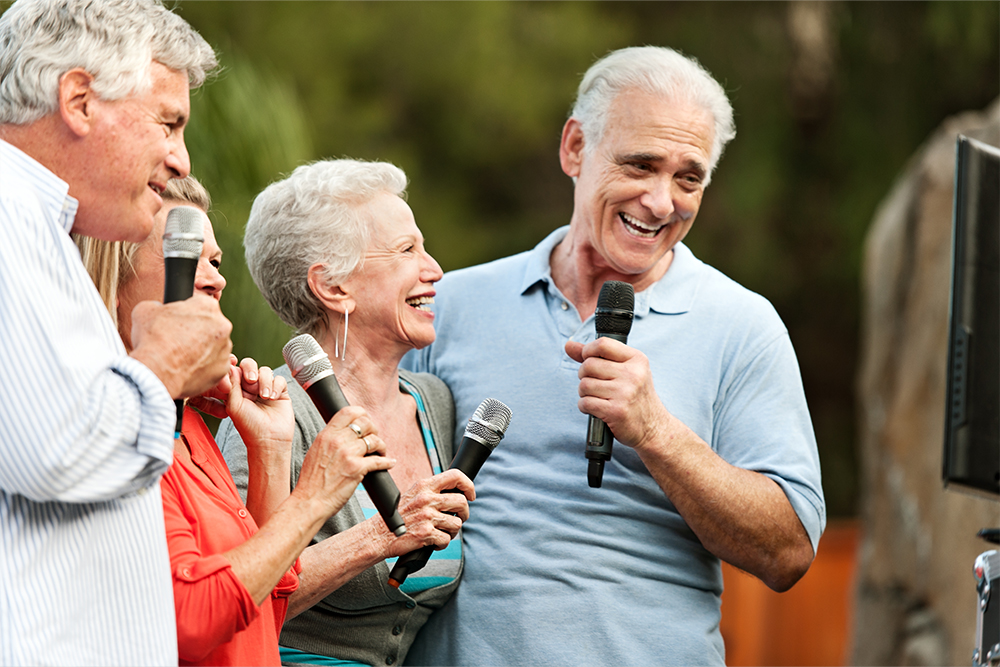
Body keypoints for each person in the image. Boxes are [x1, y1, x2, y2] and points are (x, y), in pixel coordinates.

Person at [401, 46, 826, 666]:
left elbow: (788, 554)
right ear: (575, 148)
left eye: (689, 178)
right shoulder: (450, 304)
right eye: (641, 165)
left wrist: (656, 432)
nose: (661, 202)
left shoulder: (744, 326)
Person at [77, 175, 400, 666]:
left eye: (215, 261)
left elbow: (262, 613)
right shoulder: (107, 418)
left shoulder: (189, 425)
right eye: (184, 257)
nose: (216, 278)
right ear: (111, 276)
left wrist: (269, 448)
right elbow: (188, 619)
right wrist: (313, 497)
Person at [0, 1, 231, 664]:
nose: (180, 159)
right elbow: (57, 448)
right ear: (78, 99)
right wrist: (162, 365)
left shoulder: (38, 224)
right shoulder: (9, 215)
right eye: (168, 122)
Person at [218, 158, 474, 667]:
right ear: (334, 287)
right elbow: (233, 599)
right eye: (408, 251)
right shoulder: (268, 416)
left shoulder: (434, 402)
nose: (435, 270)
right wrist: (381, 535)